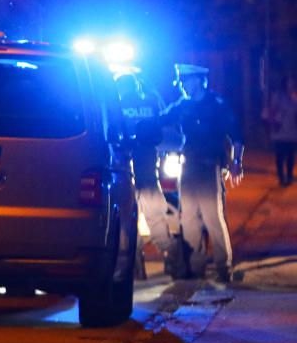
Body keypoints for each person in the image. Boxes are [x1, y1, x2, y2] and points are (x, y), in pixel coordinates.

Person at [162, 64, 244, 283]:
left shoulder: (216, 105)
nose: (182, 86)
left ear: (198, 80)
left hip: (209, 168)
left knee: (212, 218)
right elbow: (161, 120)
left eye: (185, 81)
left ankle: (223, 268)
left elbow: (236, 135)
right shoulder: (182, 105)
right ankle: (196, 268)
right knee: (188, 219)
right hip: (188, 167)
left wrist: (236, 162)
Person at [115, 73, 178, 278]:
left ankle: (135, 268)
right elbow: (165, 135)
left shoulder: (116, 106)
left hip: (126, 173)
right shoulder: (151, 103)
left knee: (127, 224)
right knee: (157, 220)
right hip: (148, 172)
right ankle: (174, 260)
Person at [262, 76, 297, 186]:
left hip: (292, 132)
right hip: (279, 131)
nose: (290, 86)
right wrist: (272, 123)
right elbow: (269, 112)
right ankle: (281, 177)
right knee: (280, 156)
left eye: (292, 83)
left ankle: (289, 175)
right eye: (289, 83)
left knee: (291, 156)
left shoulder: (294, 98)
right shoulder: (277, 97)